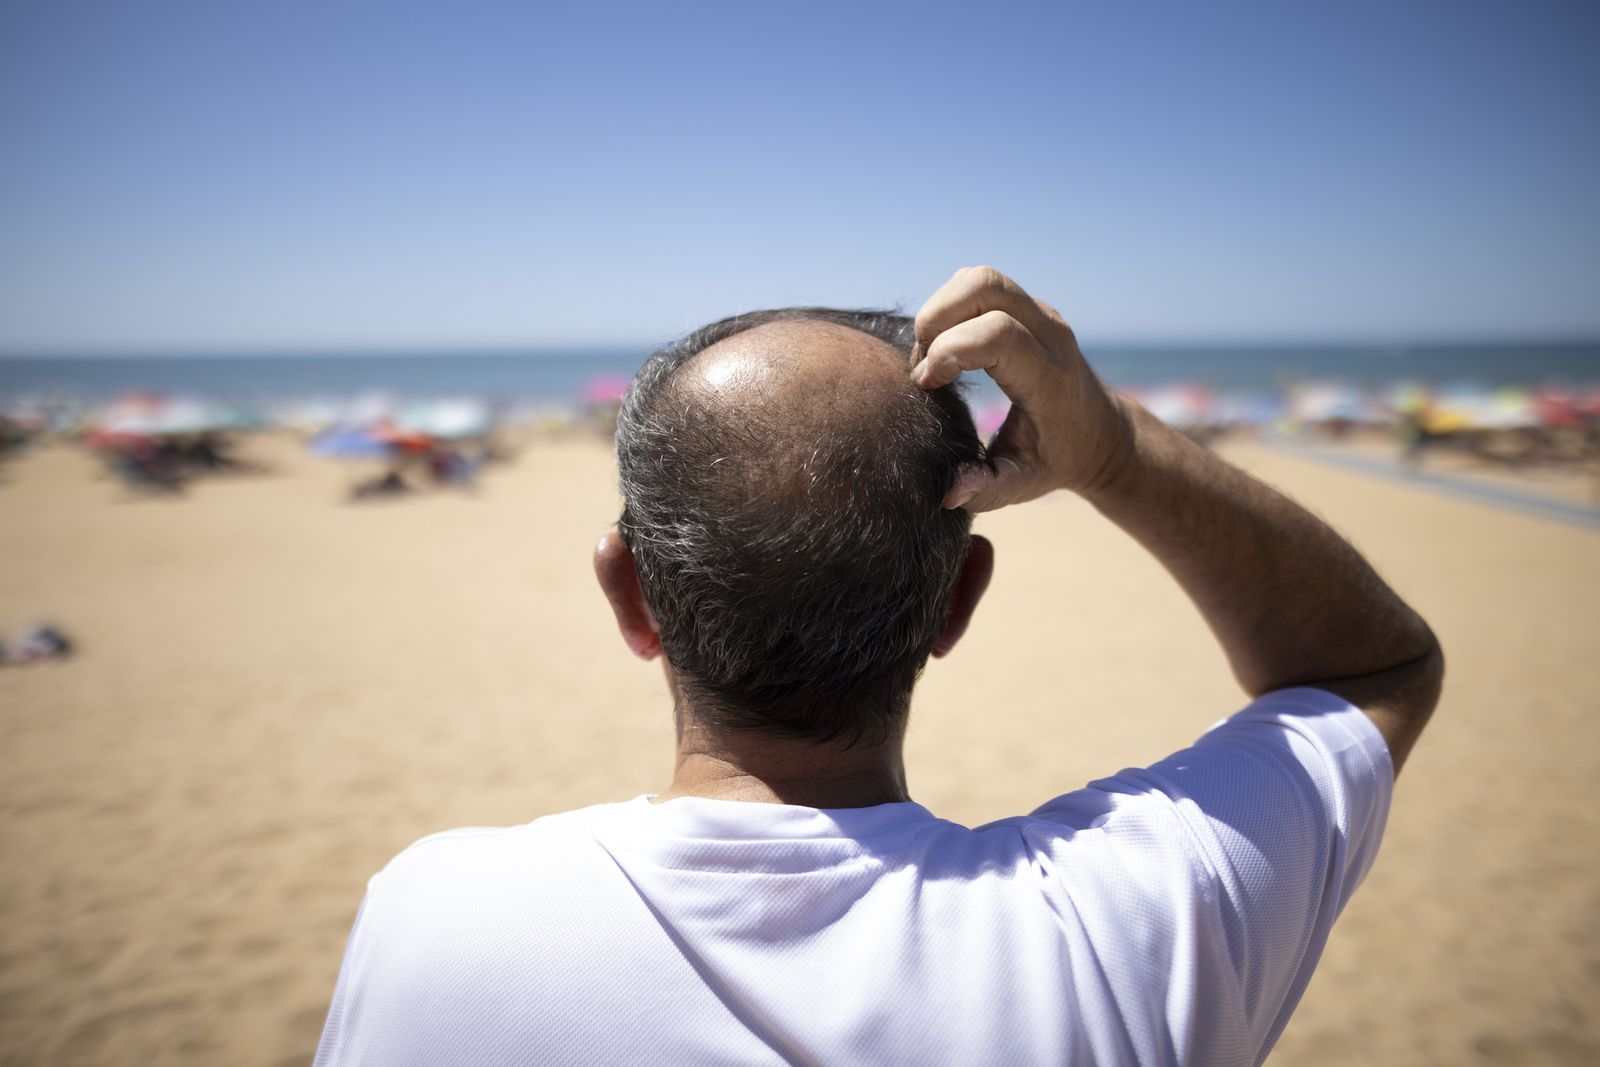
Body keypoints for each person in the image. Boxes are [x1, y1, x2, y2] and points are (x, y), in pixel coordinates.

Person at [313, 267, 1442, 1066]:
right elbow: (1372, 665)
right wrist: (1112, 448)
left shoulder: (438, 917)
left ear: (628, 593)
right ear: (958, 601)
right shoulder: (1135, 924)